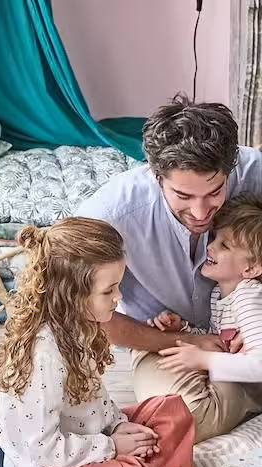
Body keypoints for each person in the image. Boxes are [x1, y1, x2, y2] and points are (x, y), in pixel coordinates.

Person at [0, 218, 197, 467]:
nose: (119, 297)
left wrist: (117, 427)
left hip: (91, 440)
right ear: (71, 294)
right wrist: (113, 448)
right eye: (109, 290)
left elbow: (94, 399)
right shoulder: (43, 355)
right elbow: (41, 448)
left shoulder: (81, 324)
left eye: (118, 285)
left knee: (171, 410)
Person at [78, 94, 262, 442]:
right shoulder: (109, 214)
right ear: (155, 174)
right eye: (183, 196)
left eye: (214, 191)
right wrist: (184, 339)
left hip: (252, 331)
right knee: (187, 416)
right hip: (162, 340)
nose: (200, 212)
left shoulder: (254, 172)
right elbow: (86, 311)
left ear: (230, 168)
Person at [153, 195, 262, 395]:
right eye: (214, 239)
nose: (210, 247)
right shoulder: (218, 295)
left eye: (225, 246)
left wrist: (204, 360)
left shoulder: (247, 297)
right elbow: (218, 340)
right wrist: (183, 328)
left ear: (251, 269)